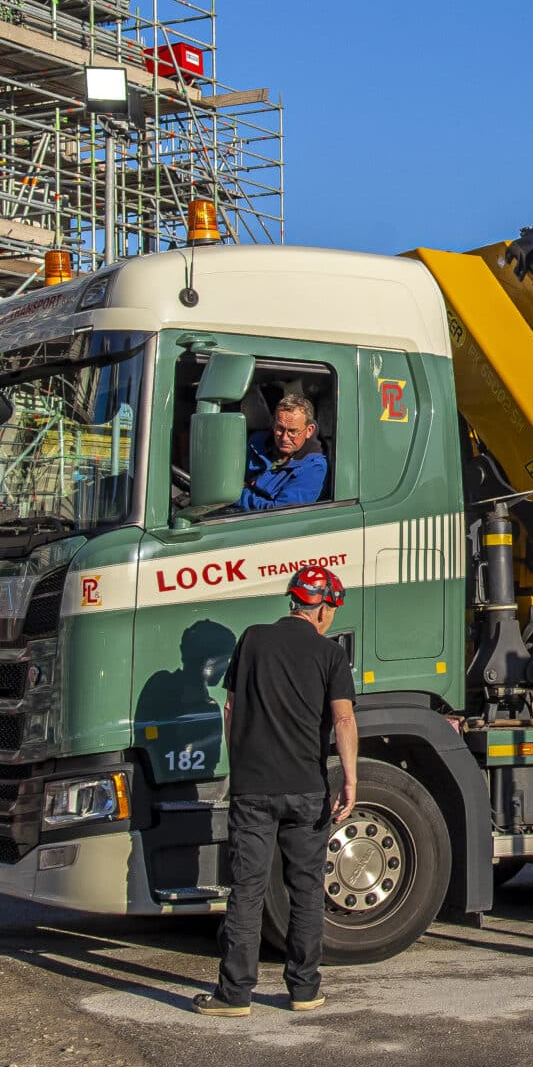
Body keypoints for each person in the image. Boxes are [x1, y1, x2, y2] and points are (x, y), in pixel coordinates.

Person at [195, 564, 358, 1016]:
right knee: (305, 889)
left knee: (247, 890)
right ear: (322, 608)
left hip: (253, 788)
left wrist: (240, 765)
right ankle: (304, 990)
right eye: (332, 610)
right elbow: (344, 719)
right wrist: (350, 779)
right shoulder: (330, 654)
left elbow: (231, 708)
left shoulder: (252, 639)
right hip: (307, 789)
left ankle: (234, 995)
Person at [241, 394, 328, 511]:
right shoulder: (256, 442)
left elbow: (279, 512)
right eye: (280, 429)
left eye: (293, 431)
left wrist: (239, 494)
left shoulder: (314, 467)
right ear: (273, 424)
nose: (284, 438)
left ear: (309, 430)